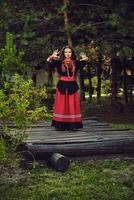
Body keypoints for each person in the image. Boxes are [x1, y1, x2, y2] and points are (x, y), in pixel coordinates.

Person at [47, 46, 88, 131]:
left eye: (69, 52)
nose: (68, 54)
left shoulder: (76, 63)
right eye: (66, 52)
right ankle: (60, 125)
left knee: (72, 105)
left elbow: (85, 62)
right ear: (63, 53)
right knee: (61, 105)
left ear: (72, 53)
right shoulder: (59, 62)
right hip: (62, 85)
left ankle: (72, 125)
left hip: (72, 85)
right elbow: (49, 62)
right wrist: (52, 56)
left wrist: (85, 58)